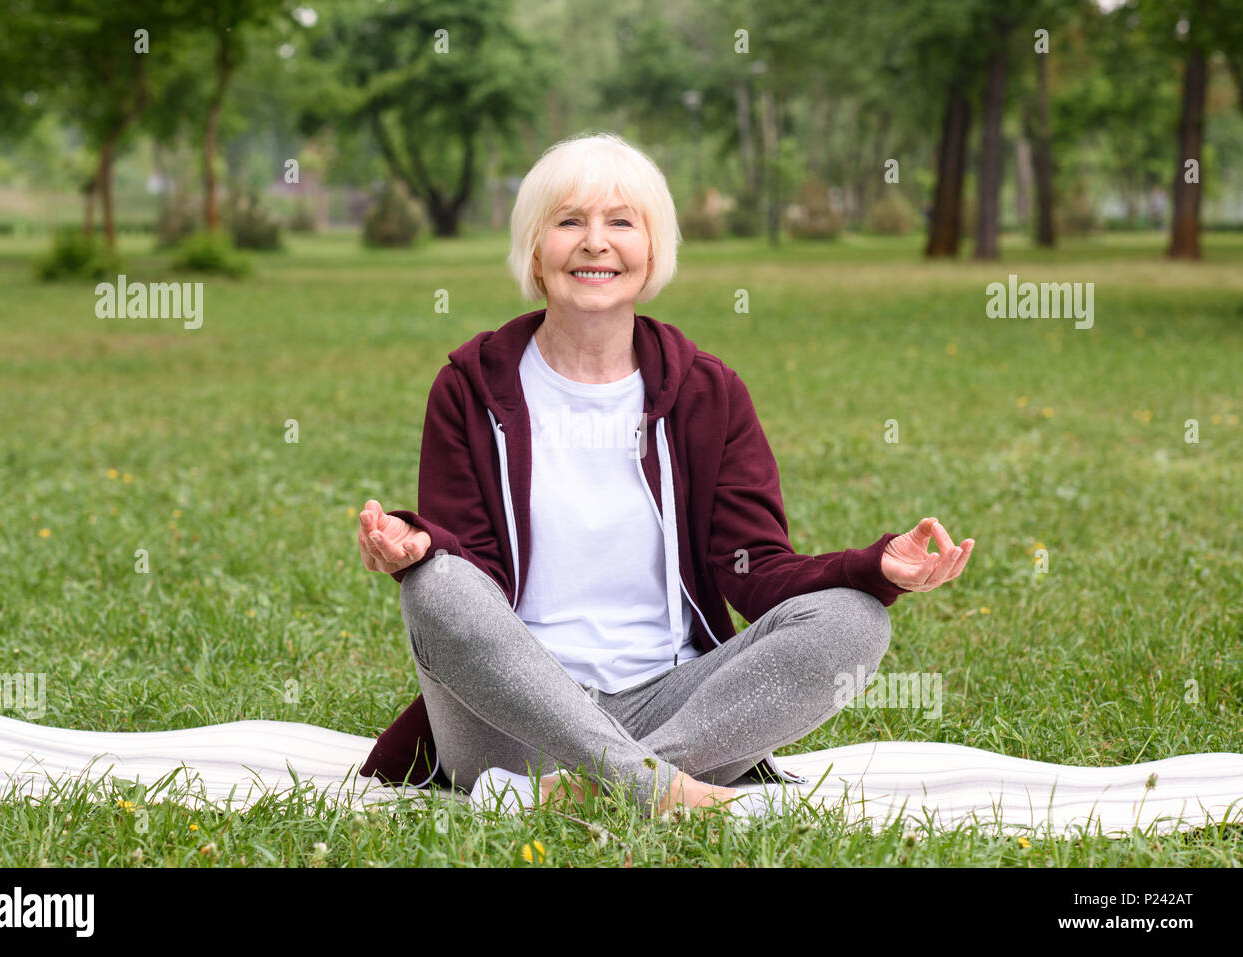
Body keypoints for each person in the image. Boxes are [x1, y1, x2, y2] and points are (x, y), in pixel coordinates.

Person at [355, 131, 973, 820]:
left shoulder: (709, 392)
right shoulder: (471, 388)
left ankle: (595, 791)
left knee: (855, 620)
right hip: (516, 719)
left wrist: (874, 566)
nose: (595, 242)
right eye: (569, 222)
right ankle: (660, 790)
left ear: (652, 250)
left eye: (621, 221)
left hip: (671, 702)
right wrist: (420, 546)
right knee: (436, 586)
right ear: (534, 247)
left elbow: (754, 568)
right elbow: (476, 577)